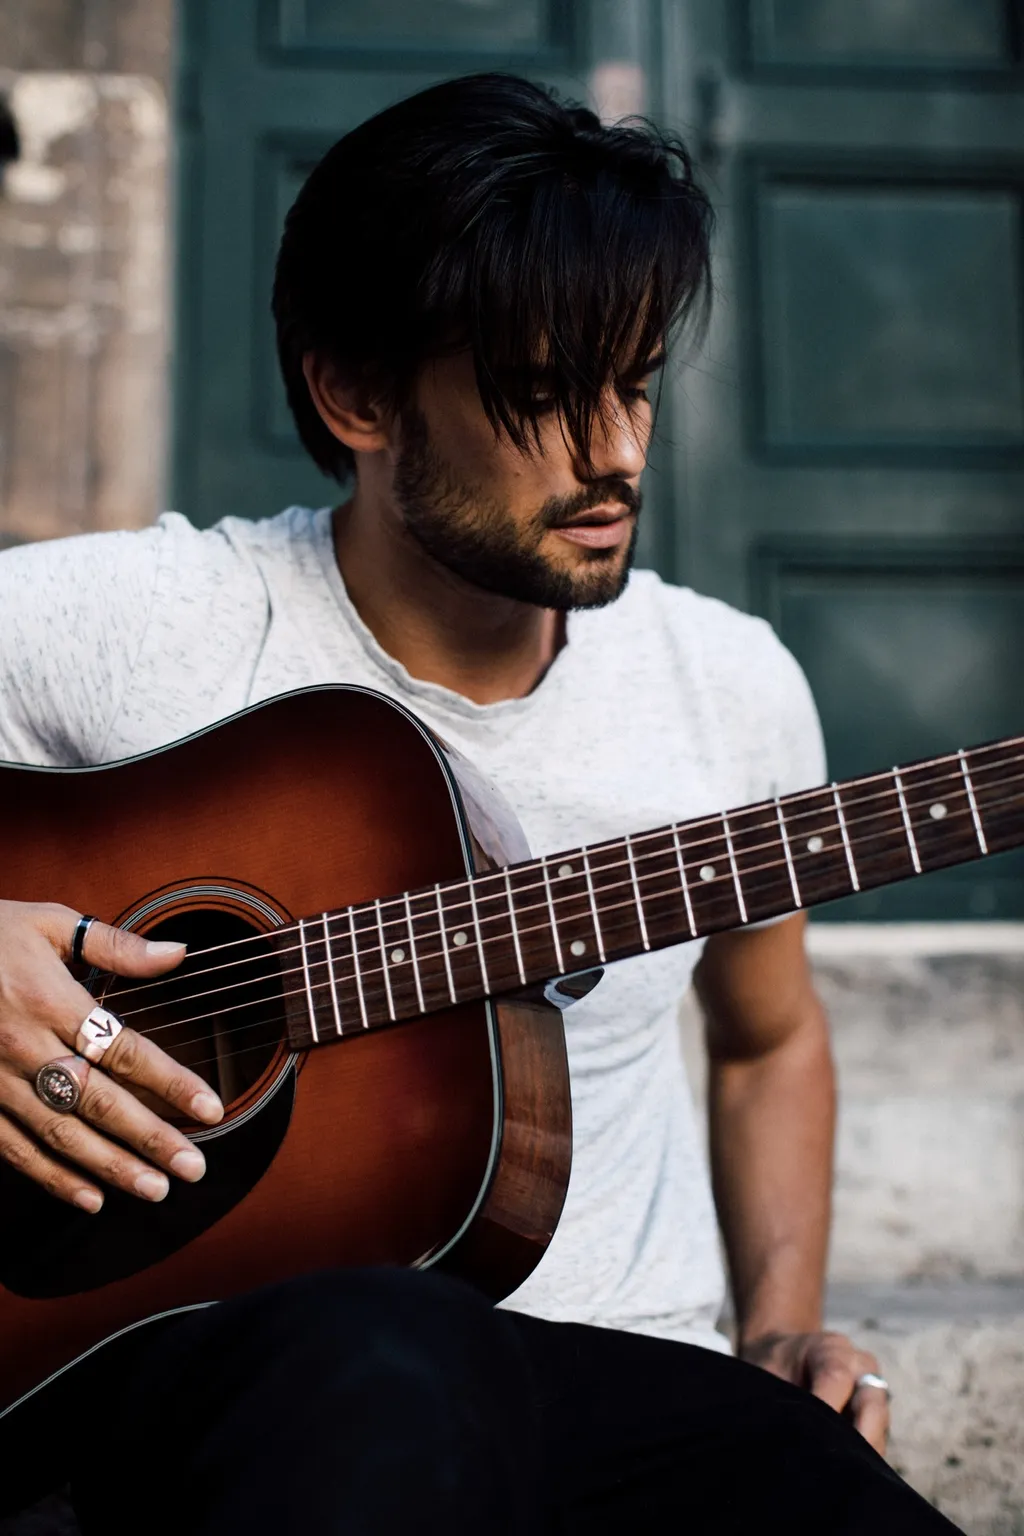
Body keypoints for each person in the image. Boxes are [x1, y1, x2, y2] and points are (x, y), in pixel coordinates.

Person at [0, 74, 959, 1534]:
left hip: (628, 1381)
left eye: (637, 383)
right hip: (256, 1380)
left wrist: (780, 1325)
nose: (619, 453)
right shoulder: (153, 621)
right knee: (381, 1343)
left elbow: (768, 1039)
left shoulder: (728, 681)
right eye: (546, 396)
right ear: (358, 395)